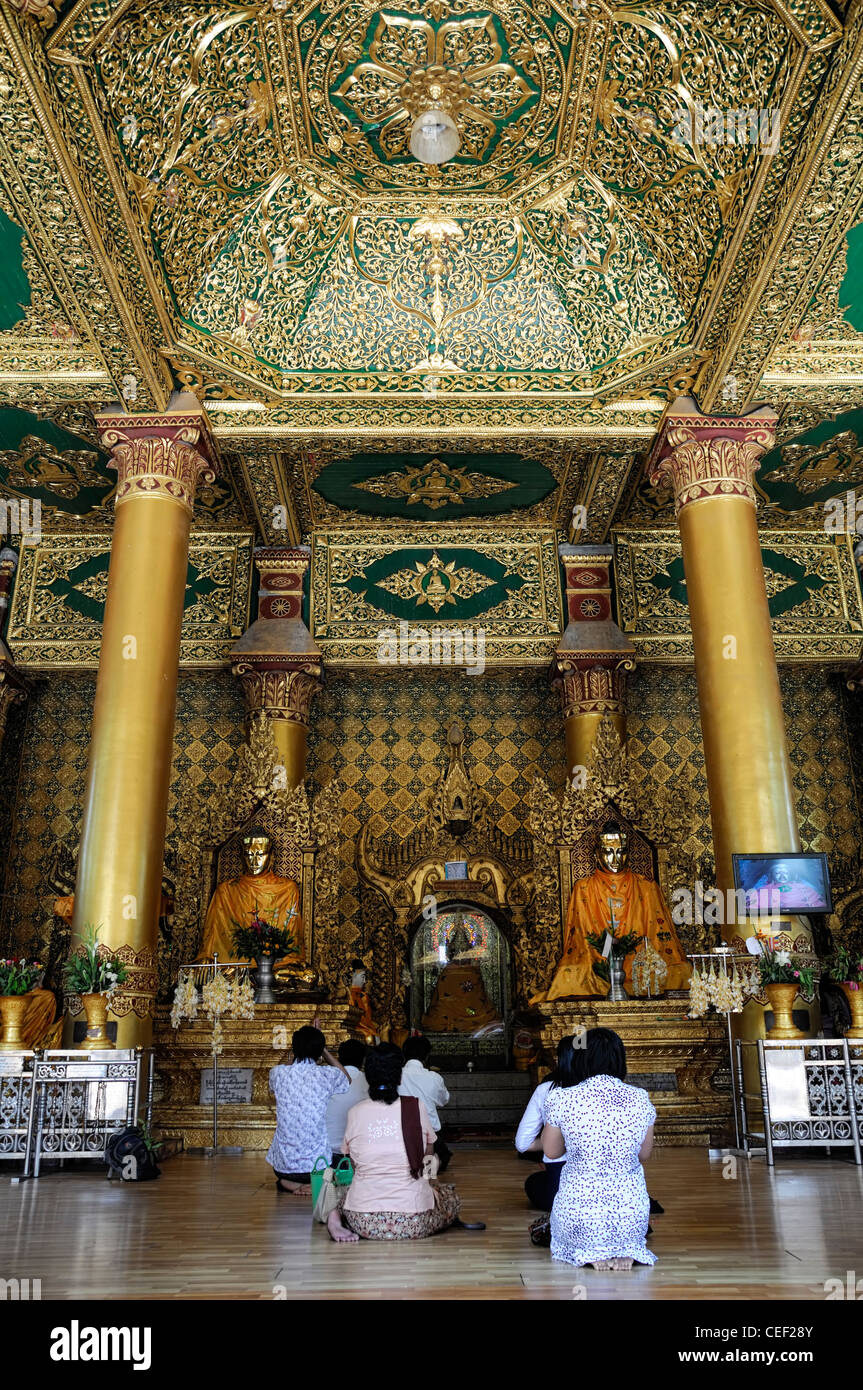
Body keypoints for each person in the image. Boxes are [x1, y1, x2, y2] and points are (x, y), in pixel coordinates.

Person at [327, 1043, 484, 1242]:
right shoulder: (414, 1106)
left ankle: (334, 1217)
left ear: (367, 1077)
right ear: (399, 1077)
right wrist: (430, 1181)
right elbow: (429, 1154)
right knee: (449, 1196)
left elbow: (353, 1162)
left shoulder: (355, 1112)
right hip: (414, 1221)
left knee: (348, 1192)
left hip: (362, 1220)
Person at [533, 820, 690, 1000]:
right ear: (596, 855)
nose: (615, 860)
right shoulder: (583, 888)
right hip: (597, 961)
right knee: (568, 975)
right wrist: (605, 950)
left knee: (681, 972)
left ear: (628, 854)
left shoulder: (646, 887)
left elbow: (659, 937)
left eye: (621, 852)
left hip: (640, 963)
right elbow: (583, 939)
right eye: (608, 852)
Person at [541, 1027, 656, 1270]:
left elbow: (551, 1152)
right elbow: (644, 1154)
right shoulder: (640, 1097)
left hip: (579, 1218)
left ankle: (589, 1249)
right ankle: (625, 1247)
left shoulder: (562, 1098)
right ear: (620, 1060)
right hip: (630, 1219)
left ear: (581, 1060)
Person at [266, 1025, 350, 1195]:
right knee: (344, 1164)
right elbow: (346, 1079)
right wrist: (324, 1050)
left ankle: (290, 1184)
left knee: (284, 1173)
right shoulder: (327, 1074)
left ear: (294, 1048)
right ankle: (316, 1183)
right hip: (318, 1167)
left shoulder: (277, 1073)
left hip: (282, 1168)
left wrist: (298, 1051)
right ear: (319, 1051)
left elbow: (276, 1081)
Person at [515, 1034, 584, 1212]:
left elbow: (523, 1144)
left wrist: (551, 1143)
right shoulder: (603, 1091)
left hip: (560, 1183)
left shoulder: (547, 1091)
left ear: (558, 1059)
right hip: (603, 1183)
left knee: (534, 1182)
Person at [398, 1034, 452, 1171]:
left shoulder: (395, 1075)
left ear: (404, 1054)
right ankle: (430, 1163)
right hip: (429, 1135)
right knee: (443, 1155)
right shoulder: (434, 1078)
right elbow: (444, 1100)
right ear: (427, 1055)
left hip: (400, 1134)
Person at [326, 1039, 369, 1157]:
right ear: (363, 1060)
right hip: (358, 1153)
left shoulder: (326, 1079)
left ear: (339, 1057)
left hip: (328, 1151)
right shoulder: (368, 1081)